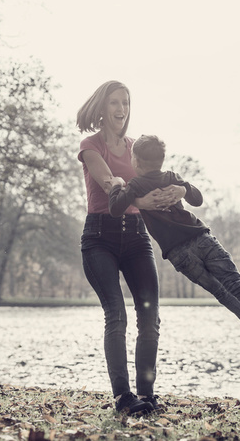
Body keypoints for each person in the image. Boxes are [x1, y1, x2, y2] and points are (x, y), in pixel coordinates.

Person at [107, 135, 240, 355]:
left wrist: (117, 185)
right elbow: (198, 200)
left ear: (136, 162)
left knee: (220, 291)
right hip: (201, 238)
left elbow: (116, 209)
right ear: (162, 159)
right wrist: (184, 189)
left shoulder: (135, 185)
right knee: (234, 281)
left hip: (178, 253)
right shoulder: (171, 176)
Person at [76, 81, 185, 415]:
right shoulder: (90, 146)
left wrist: (177, 192)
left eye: (125, 102)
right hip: (99, 238)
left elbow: (160, 181)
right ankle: (123, 398)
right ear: (101, 107)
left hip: (137, 238)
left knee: (149, 317)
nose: (121, 109)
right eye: (113, 103)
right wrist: (138, 197)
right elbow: (110, 184)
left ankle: (147, 395)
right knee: (117, 315)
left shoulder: (137, 147)